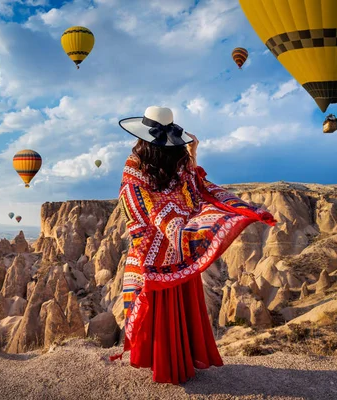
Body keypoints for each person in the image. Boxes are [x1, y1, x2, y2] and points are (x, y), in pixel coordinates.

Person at [114, 106, 277, 384]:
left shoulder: (135, 171)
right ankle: (180, 362)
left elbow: (139, 211)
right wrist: (185, 232)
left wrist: (161, 235)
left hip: (153, 251)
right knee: (178, 309)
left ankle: (162, 364)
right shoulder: (180, 166)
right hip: (180, 253)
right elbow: (199, 191)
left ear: (142, 139)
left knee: (158, 309)